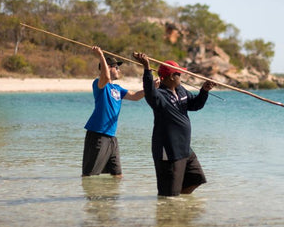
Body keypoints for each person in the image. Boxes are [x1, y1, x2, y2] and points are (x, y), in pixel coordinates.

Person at [132, 52, 216, 196]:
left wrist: (204, 91)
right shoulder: (159, 96)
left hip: (185, 149)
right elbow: (149, 91)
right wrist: (146, 68)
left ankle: (179, 209)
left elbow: (194, 105)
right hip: (169, 151)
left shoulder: (181, 90)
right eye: (179, 74)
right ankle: (168, 213)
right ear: (171, 76)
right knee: (168, 196)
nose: (181, 77)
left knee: (196, 179)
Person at [82, 46, 145, 178]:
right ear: (109, 67)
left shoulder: (117, 88)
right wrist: (101, 55)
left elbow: (135, 96)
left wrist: (151, 88)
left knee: (117, 175)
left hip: (111, 137)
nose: (119, 70)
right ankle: (90, 198)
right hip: (98, 134)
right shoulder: (98, 84)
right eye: (116, 67)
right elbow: (104, 77)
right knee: (89, 176)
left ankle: (112, 197)